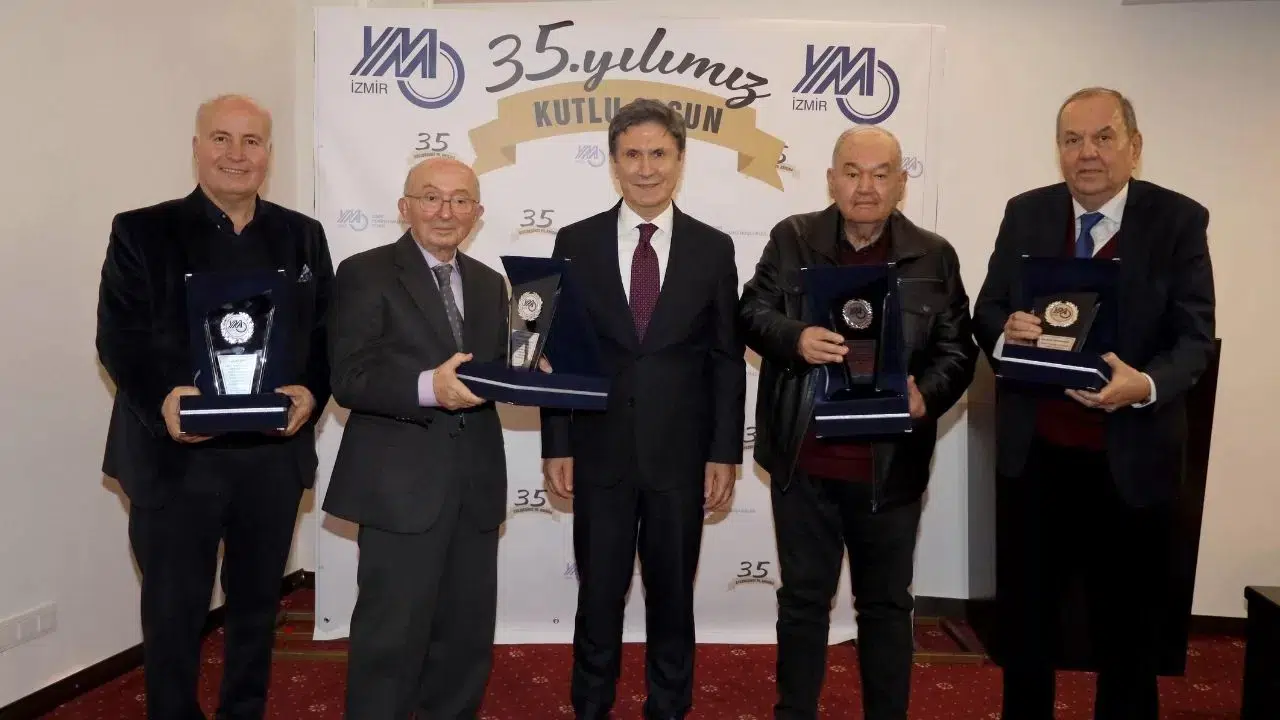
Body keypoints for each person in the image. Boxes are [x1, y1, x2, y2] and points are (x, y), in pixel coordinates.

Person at [973, 87, 1216, 720]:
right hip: (1037, 456)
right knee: (1028, 627)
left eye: (1104, 138)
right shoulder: (1025, 213)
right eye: (1073, 140)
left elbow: (1194, 337)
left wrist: (1147, 384)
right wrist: (1007, 331)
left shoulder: (1178, 221)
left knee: (1128, 631)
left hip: (1131, 457)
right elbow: (988, 309)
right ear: (1058, 150)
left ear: (1134, 147)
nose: (1088, 153)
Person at [95, 94, 333, 719]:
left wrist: (312, 390)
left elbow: (324, 336)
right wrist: (163, 398)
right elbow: (118, 337)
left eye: (252, 141)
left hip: (270, 460)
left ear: (268, 153)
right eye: (221, 138)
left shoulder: (303, 236)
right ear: (197, 147)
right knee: (173, 616)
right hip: (176, 460)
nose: (236, 154)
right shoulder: (141, 231)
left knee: (257, 610)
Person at [738, 126, 976, 720]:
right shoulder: (792, 239)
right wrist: (795, 337)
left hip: (889, 469)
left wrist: (928, 394)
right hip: (806, 463)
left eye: (880, 173)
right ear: (831, 179)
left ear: (901, 181)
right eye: (852, 172)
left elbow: (958, 350)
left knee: (886, 607)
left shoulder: (934, 255)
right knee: (802, 603)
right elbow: (751, 312)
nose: (865, 186)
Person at [540, 98, 746, 720]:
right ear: (613, 161)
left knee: (672, 600)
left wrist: (724, 453)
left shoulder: (714, 248)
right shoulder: (575, 241)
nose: (646, 168)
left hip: (680, 460)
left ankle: (669, 707)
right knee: (598, 597)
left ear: (680, 160)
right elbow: (555, 354)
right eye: (633, 154)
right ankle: (590, 706)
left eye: (659, 154)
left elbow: (726, 359)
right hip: (597, 452)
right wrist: (557, 443)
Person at [323, 157, 509, 719]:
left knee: (465, 639)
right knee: (389, 641)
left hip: (475, 484)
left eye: (460, 200)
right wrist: (430, 388)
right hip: (398, 489)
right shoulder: (365, 272)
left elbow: (491, 373)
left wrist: (533, 368)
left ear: (477, 212)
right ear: (405, 207)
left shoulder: (491, 283)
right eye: (431, 197)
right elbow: (348, 378)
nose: (445, 211)